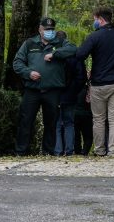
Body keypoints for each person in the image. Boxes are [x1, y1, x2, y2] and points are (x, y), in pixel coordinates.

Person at [13, 17, 76, 155]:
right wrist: (28, 73)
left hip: (52, 90)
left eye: (52, 29)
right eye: (47, 29)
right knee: (26, 121)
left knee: (51, 123)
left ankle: (48, 152)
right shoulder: (29, 43)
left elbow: (73, 49)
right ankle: (21, 151)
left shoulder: (60, 43)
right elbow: (17, 63)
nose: (50, 31)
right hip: (32, 89)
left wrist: (54, 54)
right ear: (40, 30)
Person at [75, 6, 114, 157]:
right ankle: (113, 151)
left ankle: (99, 150)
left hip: (99, 84)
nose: (94, 22)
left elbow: (80, 54)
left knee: (98, 119)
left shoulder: (94, 36)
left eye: (94, 19)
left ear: (100, 19)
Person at [54, 31, 87, 156]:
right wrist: (75, 90)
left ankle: (57, 150)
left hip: (56, 93)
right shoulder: (75, 56)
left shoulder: (54, 55)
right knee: (69, 123)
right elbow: (81, 77)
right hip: (70, 94)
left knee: (57, 123)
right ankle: (69, 150)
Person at [73, 83, 93, 155]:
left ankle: (77, 151)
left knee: (76, 135)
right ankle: (85, 151)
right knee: (88, 135)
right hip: (87, 115)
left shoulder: (74, 88)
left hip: (75, 114)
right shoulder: (89, 89)